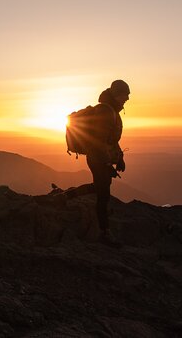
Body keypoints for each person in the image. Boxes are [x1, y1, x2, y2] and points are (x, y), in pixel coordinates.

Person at [64, 79, 130, 247]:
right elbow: (98, 141)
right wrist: (107, 163)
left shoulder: (111, 111)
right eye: (125, 94)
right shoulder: (106, 112)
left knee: (100, 186)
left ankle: (68, 196)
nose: (127, 98)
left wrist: (119, 157)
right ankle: (104, 232)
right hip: (97, 157)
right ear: (116, 94)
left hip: (99, 157)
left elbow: (111, 139)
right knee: (103, 194)